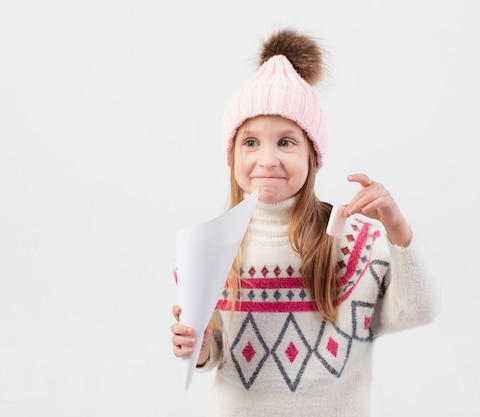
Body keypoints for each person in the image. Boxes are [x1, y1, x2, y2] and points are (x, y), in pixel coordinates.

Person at [170, 27, 439, 417]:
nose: (266, 159)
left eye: (285, 142)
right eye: (250, 142)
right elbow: (213, 355)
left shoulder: (353, 243)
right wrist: (196, 348)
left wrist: (397, 230)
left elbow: (420, 309)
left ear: (313, 155)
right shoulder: (212, 247)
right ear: (231, 155)